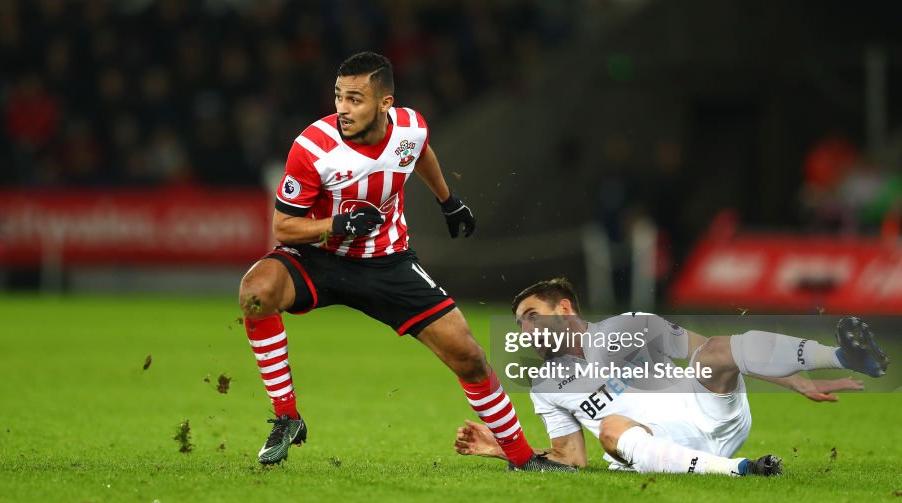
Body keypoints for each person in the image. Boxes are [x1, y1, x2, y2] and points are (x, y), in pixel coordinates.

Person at [238, 52, 572, 472]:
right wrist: (337, 223)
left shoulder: (410, 128)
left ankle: (522, 460)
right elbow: (283, 227)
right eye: (339, 97)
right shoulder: (312, 147)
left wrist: (449, 202)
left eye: (355, 99)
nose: (342, 108)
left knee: (468, 355)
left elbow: (421, 153)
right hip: (319, 256)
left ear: (384, 103)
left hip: (387, 262)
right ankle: (287, 417)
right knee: (255, 293)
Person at [454, 277, 889, 476]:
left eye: (531, 316)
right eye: (518, 324)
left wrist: (790, 378)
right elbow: (572, 460)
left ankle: (843, 355)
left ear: (565, 309)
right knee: (611, 427)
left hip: (708, 410)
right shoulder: (546, 387)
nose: (524, 330)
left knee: (715, 348)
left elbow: (718, 351)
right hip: (651, 444)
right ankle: (741, 469)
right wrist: (505, 451)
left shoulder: (631, 326)